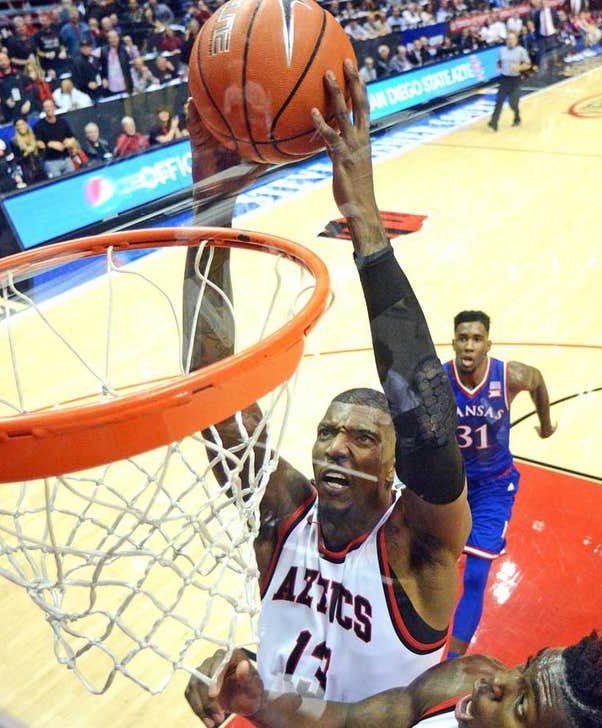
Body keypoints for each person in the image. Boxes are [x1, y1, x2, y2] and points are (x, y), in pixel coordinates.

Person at [181, 60, 469, 715]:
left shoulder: (416, 549)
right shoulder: (283, 515)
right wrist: (212, 202)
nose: (338, 445)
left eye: (364, 436)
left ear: (397, 467)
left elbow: (427, 423)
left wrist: (366, 223)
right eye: (328, 431)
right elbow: (209, 384)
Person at [190, 631, 602, 728]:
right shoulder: (467, 677)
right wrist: (259, 698)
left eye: (521, 706)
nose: (497, 683)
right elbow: (348, 721)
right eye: (525, 670)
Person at [444, 310, 555, 658]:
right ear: (453, 342)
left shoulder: (509, 376)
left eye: (477, 339)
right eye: (463, 338)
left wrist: (546, 423)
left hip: (494, 485)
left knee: (475, 575)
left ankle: (451, 662)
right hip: (450, 484)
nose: (469, 345)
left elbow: (537, 381)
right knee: (426, 563)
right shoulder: (439, 379)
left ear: (488, 344)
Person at [488, 32, 531, 131]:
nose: (510, 41)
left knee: (513, 103)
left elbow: (528, 64)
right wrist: (497, 66)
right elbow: (499, 61)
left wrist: (519, 67)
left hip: (515, 80)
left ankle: (517, 117)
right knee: (499, 101)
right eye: (508, 39)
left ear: (516, 40)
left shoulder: (521, 51)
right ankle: (493, 122)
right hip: (504, 79)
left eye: (512, 39)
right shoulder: (502, 50)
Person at [34, 99, 77, 179]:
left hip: (66, 158)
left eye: (51, 106)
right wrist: (50, 144)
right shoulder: (39, 126)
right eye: (46, 107)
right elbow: (38, 143)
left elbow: (73, 137)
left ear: (54, 107)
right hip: (51, 162)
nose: (49, 109)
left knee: (73, 180)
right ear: (43, 109)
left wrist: (69, 142)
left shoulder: (62, 122)